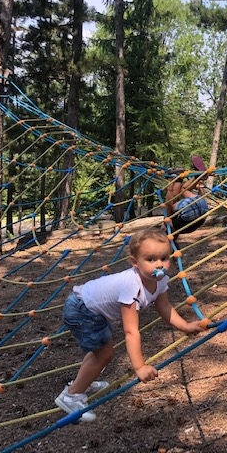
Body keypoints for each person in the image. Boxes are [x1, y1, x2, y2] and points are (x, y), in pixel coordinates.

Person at [55, 228, 204, 422]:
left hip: (93, 309)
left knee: (100, 351)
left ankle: (83, 381)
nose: (160, 265)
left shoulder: (159, 279)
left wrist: (184, 326)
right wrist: (139, 366)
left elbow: (165, 306)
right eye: (150, 259)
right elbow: (131, 330)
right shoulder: (131, 285)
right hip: (82, 309)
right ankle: (71, 396)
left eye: (164, 258)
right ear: (135, 262)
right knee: (104, 354)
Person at [164, 155, 209, 238]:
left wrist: (201, 187)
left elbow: (201, 198)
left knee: (184, 189)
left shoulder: (186, 229)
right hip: (188, 211)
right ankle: (178, 178)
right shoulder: (168, 225)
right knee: (170, 208)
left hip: (203, 207)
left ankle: (197, 176)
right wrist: (170, 185)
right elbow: (168, 205)